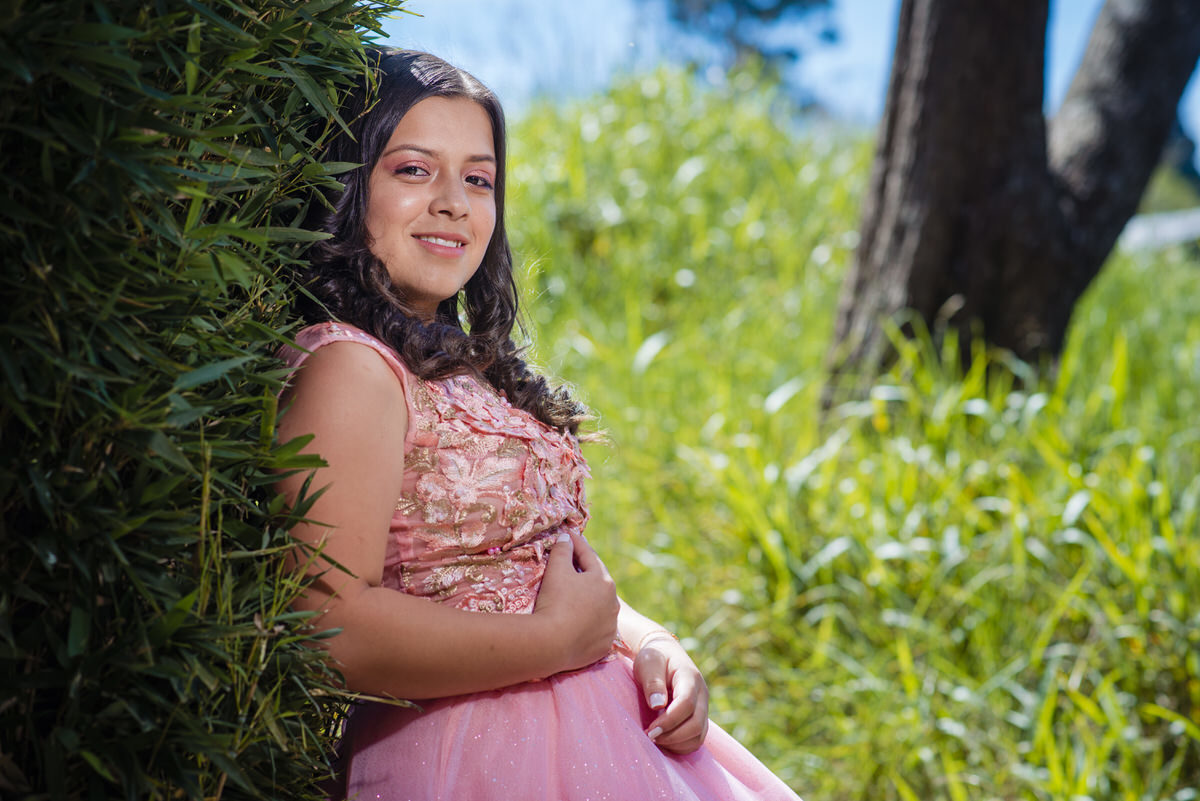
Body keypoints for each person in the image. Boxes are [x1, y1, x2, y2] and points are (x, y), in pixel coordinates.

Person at [276, 49, 802, 801]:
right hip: (476, 754)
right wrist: (551, 642)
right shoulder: (350, 368)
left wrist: (647, 641)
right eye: (414, 169)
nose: (454, 203)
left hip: (608, 730)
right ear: (350, 185)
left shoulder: (470, 371)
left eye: (478, 179)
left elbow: (536, 566)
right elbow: (327, 624)